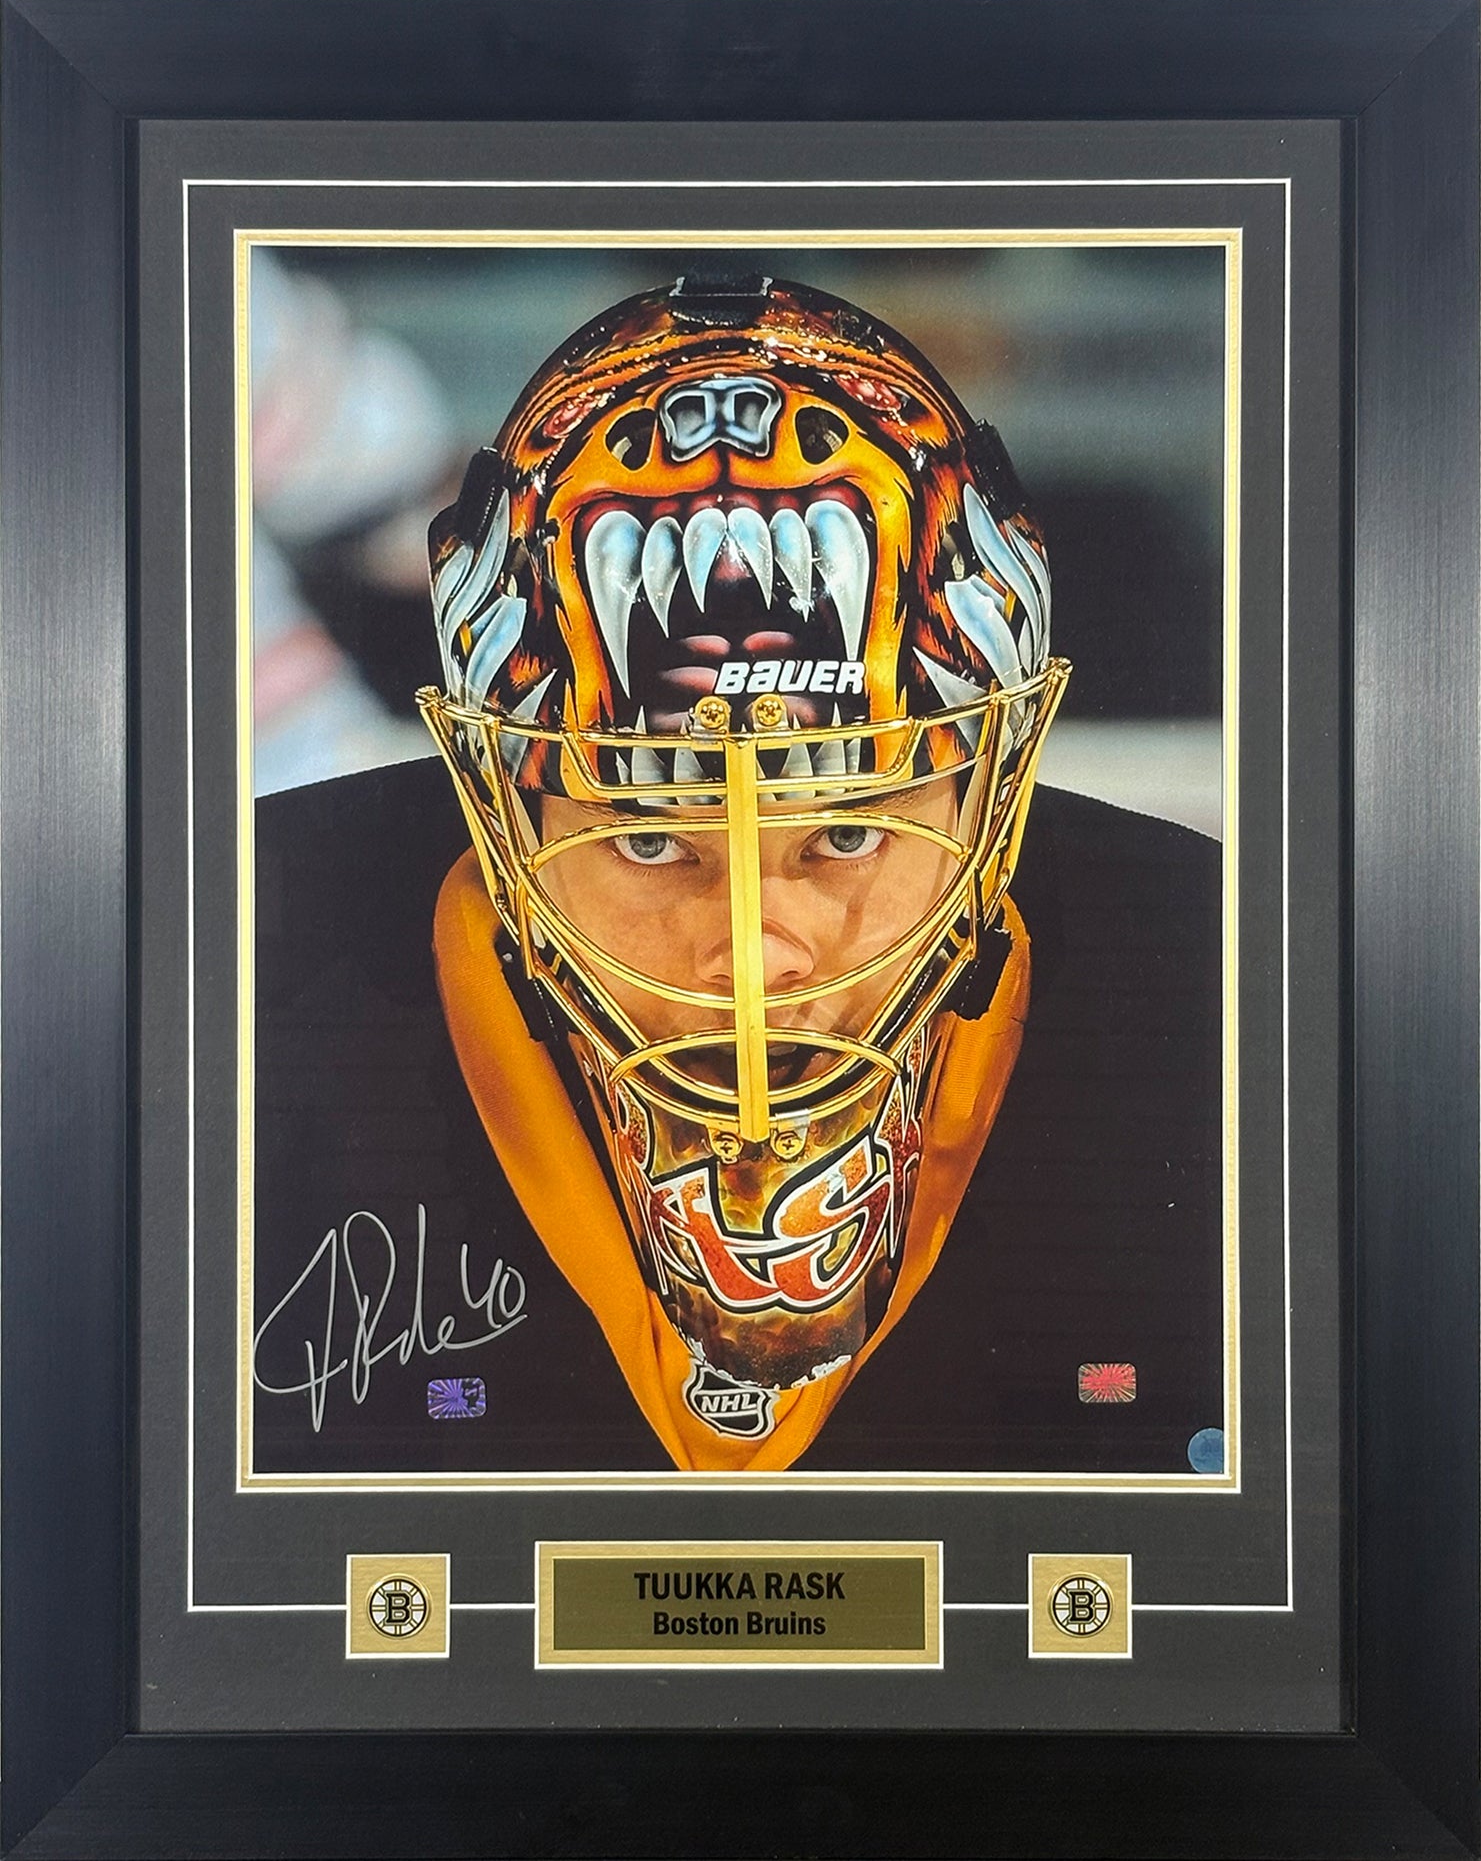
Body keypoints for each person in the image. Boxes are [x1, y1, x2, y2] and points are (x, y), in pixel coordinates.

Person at [252, 275, 1225, 1478]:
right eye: (650, 839)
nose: (755, 951)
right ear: (499, 805)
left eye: (847, 832)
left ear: (992, 792)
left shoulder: (1234, 1005)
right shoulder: (232, 999)